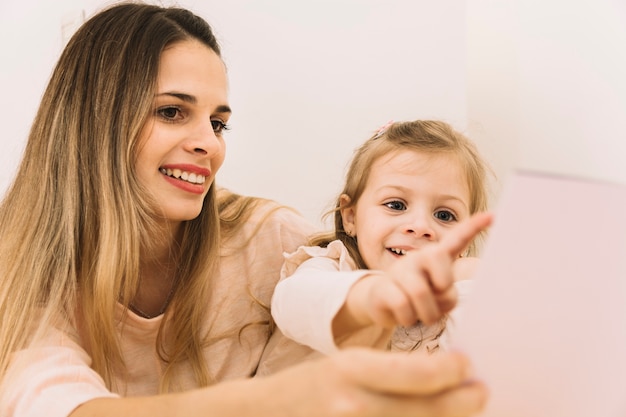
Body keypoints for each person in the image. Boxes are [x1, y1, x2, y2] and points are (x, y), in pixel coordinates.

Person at [0, 3, 489, 417]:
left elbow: (356, 288)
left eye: (218, 123)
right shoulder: (22, 273)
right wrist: (284, 398)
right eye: (172, 111)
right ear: (93, 123)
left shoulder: (268, 238)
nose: (207, 145)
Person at [272, 119, 492, 354]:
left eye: (445, 215)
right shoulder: (333, 266)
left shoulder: (457, 296)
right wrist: (372, 294)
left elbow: (472, 370)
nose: (419, 227)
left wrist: (470, 284)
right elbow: (290, 304)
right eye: (396, 205)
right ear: (351, 217)